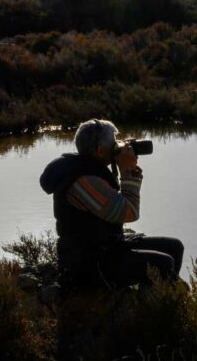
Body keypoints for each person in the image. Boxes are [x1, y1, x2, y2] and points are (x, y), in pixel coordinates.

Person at [40, 118, 184, 290]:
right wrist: (127, 174)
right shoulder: (84, 181)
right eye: (114, 144)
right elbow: (129, 213)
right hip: (89, 264)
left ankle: (167, 297)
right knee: (163, 263)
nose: (118, 148)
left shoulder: (88, 169)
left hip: (106, 247)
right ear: (100, 151)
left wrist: (125, 169)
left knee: (174, 247)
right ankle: (150, 311)